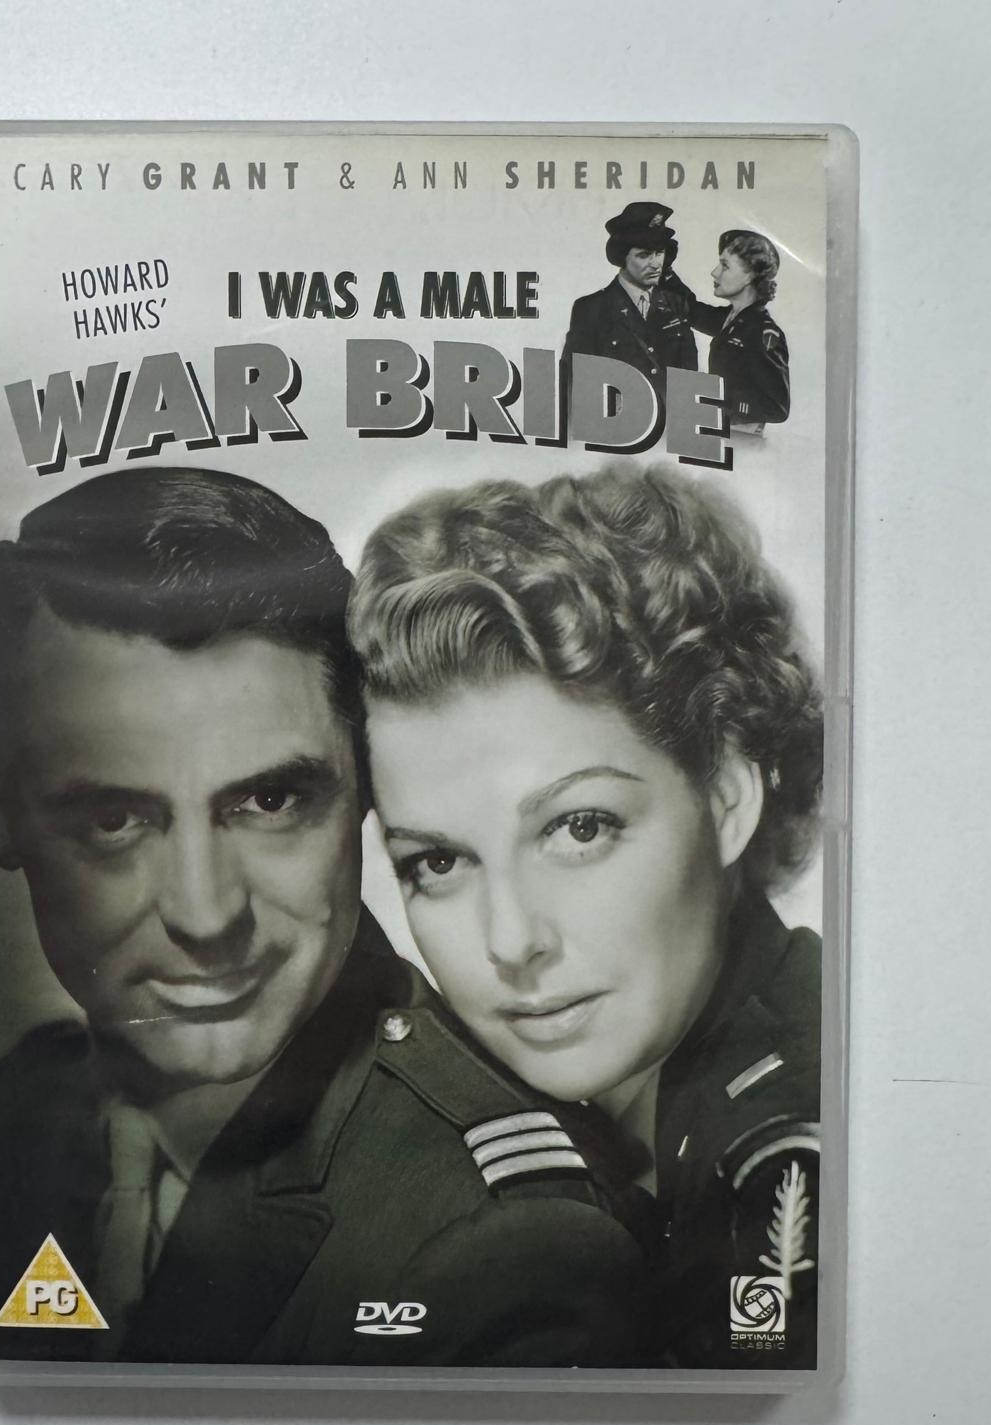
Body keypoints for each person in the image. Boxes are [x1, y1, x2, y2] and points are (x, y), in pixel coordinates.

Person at [0, 465, 651, 1368]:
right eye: (114, 820)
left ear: (370, 782)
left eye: (271, 802)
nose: (206, 914)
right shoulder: (22, 1120)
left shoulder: (511, 1243)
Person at [347, 465, 824, 1368]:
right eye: (437, 862)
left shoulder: (789, 1157)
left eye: (579, 828)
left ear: (726, 798)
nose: (512, 942)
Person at [666, 229, 791, 430]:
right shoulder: (731, 318)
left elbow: (778, 408)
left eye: (725, 266)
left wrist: (716, 397)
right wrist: (666, 272)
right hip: (720, 429)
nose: (715, 272)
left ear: (750, 276)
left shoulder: (762, 332)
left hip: (741, 437)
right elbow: (692, 310)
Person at [563, 202, 698, 387]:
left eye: (659, 253)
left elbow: (690, 378)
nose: (656, 264)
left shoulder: (676, 303)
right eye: (644, 255)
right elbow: (574, 380)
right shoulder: (591, 308)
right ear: (621, 256)